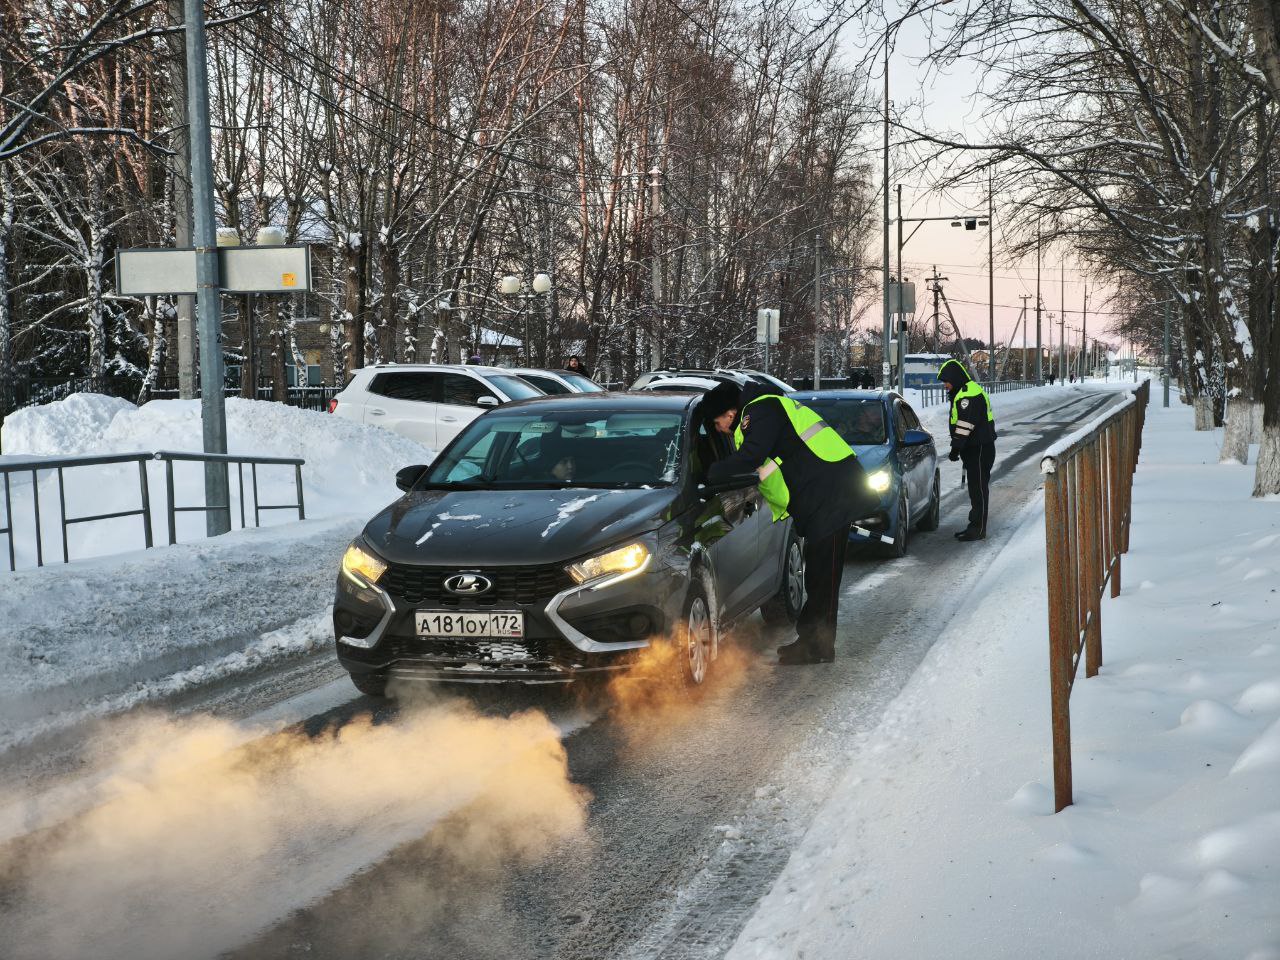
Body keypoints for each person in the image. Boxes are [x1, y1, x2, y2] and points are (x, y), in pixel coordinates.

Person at [703, 381, 872, 665]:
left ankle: (818, 646)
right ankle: (814, 642)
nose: (719, 429)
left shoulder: (761, 410)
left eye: (717, 422)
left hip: (833, 493)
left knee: (824, 574)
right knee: (818, 572)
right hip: (825, 492)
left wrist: (710, 475)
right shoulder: (762, 411)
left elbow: (752, 456)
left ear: (730, 414)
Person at [937, 359, 996, 542]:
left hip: (979, 449)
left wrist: (956, 448)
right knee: (975, 488)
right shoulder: (964, 391)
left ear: (954, 378)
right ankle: (974, 525)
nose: (945, 385)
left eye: (946, 381)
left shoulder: (968, 395)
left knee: (978, 489)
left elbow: (965, 425)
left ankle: (978, 529)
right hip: (975, 449)